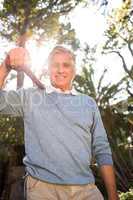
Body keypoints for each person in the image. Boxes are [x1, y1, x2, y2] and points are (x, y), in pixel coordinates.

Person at [0, 46, 119, 200]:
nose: (60, 70)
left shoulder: (88, 103)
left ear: (74, 70)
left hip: (86, 189)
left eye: (66, 65)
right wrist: (6, 65)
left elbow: (102, 149)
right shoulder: (30, 97)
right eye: (55, 65)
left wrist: (113, 195)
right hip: (42, 189)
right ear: (48, 69)